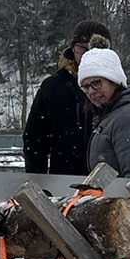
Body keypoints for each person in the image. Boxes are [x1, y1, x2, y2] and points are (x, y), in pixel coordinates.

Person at [24, 20, 108, 175]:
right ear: (73, 49)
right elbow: (34, 139)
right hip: (61, 181)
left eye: (95, 49)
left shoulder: (115, 88)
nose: (87, 54)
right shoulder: (52, 87)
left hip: (107, 184)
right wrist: (38, 183)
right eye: (82, 48)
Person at [79, 47, 130, 176]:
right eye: (86, 86)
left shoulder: (129, 118)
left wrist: (121, 195)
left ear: (115, 81)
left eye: (96, 83)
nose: (91, 91)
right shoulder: (109, 117)